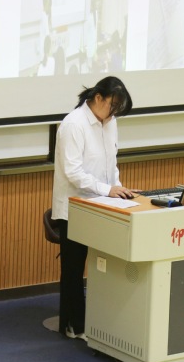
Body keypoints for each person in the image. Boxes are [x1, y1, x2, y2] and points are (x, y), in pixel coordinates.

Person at [51, 76, 134, 341]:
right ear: (98, 98)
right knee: (74, 270)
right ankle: (74, 325)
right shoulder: (73, 124)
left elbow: (111, 162)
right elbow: (73, 172)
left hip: (104, 204)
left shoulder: (110, 122)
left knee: (107, 264)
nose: (113, 114)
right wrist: (107, 189)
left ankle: (103, 321)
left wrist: (117, 188)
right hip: (75, 207)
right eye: (112, 106)